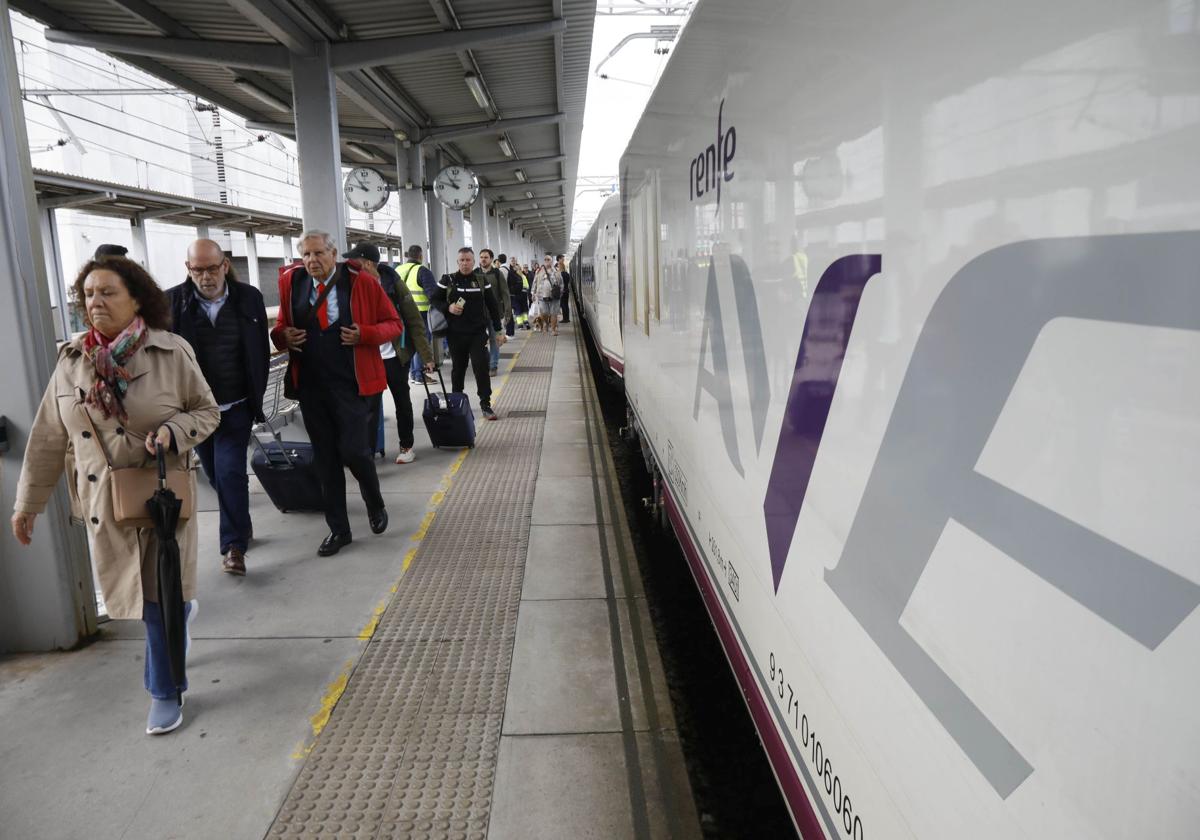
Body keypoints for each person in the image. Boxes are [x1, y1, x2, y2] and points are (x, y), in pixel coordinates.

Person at [11, 256, 219, 735]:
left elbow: (207, 413)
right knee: (155, 598)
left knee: (156, 601)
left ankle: (164, 692)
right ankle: (183, 617)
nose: (96, 302)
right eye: (88, 294)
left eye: (108, 292)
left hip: (161, 496)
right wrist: (27, 504)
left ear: (137, 299)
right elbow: (48, 435)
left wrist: (173, 430)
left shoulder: (171, 352)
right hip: (106, 502)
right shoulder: (71, 363)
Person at [271, 230, 402, 557]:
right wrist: (283, 335)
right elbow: (281, 328)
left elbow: (393, 323)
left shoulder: (362, 282)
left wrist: (365, 334)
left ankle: (374, 501)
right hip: (312, 385)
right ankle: (339, 530)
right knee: (325, 460)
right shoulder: (293, 284)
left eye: (318, 254)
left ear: (334, 255)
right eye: (306, 255)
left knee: (356, 451)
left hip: (352, 383)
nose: (312, 261)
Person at [166, 240, 269, 577]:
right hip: (195, 411)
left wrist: (256, 396)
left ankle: (234, 546)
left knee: (229, 473)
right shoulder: (173, 303)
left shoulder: (249, 298)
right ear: (188, 269)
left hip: (236, 405)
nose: (205, 276)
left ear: (225, 265)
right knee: (213, 475)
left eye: (212, 268)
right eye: (198, 269)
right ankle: (243, 524)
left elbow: (259, 352)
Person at [345, 243, 435, 465]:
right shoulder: (350, 285)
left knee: (401, 399)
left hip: (395, 355)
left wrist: (427, 356)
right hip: (368, 357)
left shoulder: (393, 283)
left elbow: (413, 320)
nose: (349, 266)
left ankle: (406, 445)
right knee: (368, 407)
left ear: (367, 263)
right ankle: (366, 453)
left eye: (354, 262)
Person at [429, 247, 505, 421]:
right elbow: (434, 299)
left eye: (468, 260)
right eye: (461, 260)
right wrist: (447, 307)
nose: (465, 263)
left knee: (481, 368)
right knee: (458, 369)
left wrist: (499, 330)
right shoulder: (448, 280)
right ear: (457, 262)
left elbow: (493, 307)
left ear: (474, 262)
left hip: (478, 333)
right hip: (455, 334)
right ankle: (457, 401)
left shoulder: (481, 281)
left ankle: (485, 404)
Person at [397, 244, 439, 379]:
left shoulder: (398, 269)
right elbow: (432, 294)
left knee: (408, 342)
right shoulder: (423, 271)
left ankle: (414, 373)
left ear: (408, 256)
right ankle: (419, 375)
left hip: (400, 313)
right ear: (421, 256)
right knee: (421, 341)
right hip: (420, 313)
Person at [477, 248, 510, 376]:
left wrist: (507, 311)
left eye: (486, 257)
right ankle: (484, 362)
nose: (483, 259)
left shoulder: (497, 274)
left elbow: (505, 293)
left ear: (491, 259)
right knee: (479, 341)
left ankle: (493, 366)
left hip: (494, 314)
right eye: (481, 257)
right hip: (478, 314)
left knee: (494, 339)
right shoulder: (475, 273)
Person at [533, 254, 563, 336]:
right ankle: (546, 324)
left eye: (548, 259)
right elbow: (534, 283)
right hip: (541, 296)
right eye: (545, 259)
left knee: (554, 313)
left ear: (551, 261)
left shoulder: (556, 271)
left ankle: (553, 329)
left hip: (554, 296)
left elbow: (561, 283)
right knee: (544, 312)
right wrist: (533, 293)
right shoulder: (539, 271)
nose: (547, 261)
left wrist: (560, 293)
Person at [557, 254, 572, 323]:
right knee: (566, 305)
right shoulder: (566, 274)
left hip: (562, 291)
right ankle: (567, 318)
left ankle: (565, 319)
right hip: (567, 291)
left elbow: (559, 283)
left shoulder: (561, 274)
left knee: (563, 305)